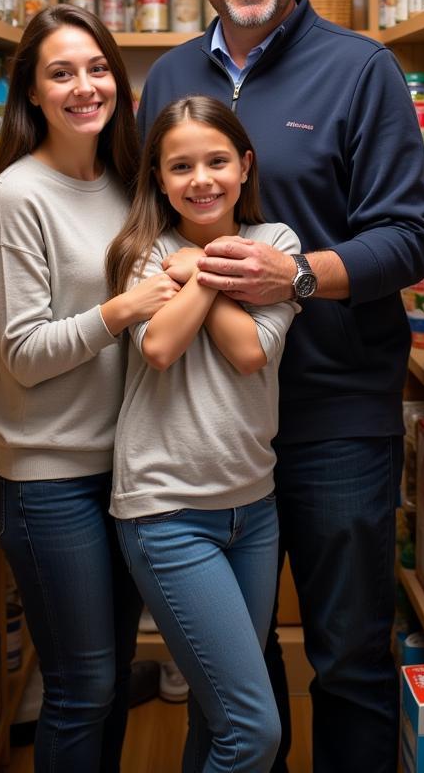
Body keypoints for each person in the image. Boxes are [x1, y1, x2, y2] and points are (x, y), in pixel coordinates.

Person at [136, 0, 424, 773]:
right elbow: (151, 228)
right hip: (215, 429)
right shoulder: (170, 78)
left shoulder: (361, 68)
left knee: (347, 657)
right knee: (238, 671)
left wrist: (296, 275)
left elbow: (410, 239)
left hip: (332, 417)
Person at [0, 4, 180, 772]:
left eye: (97, 69)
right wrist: (123, 307)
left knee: (112, 672)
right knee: (81, 685)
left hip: (129, 472)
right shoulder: (17, 196)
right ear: (31, 92)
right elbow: (21, 354)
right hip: (50, 479)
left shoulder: (130, 183)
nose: (84, 86)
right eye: (61, 73)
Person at [105, 95, 300, 773]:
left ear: (245, 166)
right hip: (167, 514)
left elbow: (250, 351)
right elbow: (160, 344)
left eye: (217, 161)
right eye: (180, 166)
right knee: (254, 732)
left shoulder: (277, 245)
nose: (201, 179)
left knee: (219, 721)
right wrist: (214, 266)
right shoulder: (141, 252)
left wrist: (195, 268)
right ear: (158, 178)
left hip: (255, 510)